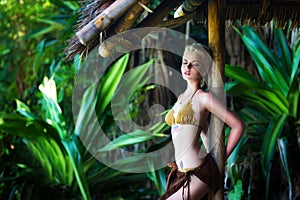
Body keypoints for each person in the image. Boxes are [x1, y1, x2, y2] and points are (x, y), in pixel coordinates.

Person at [160, 44, 245, 200]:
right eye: (185, 62)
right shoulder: (181, 97)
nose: (188, 67)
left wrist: (222, 158)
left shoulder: (204, 98)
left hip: (199, 172)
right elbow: (203, 128)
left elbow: (238, 126)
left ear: (204, 70)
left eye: (195, 64)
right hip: (182, 172)